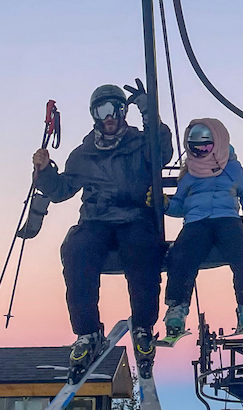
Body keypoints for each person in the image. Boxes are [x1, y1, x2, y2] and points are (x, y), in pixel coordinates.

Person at [32, 81, 173, 380]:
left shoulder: (140, 143)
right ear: (94, 114)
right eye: (103, 110)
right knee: (76, 250)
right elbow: (60, 190)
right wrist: (44, 173)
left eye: (116, 109)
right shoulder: (84, 154)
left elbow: (162, 152)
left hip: (135, 215)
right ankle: (87, 332)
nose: (110, 116)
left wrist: (149, 110)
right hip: (96, 219)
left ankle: (143, 326)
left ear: (124, 112)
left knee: (142, 252)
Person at [158, 118, 243, 336]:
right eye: (195, 148)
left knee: (242, 248)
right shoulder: (190, 173)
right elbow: (180, 205)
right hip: (197, 222)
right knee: (181, 253)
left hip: (227, 217)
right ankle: (177, 306)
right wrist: (166, 205)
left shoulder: (232, 168)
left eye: (206, 147)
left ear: (217, 144)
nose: (201, 152)